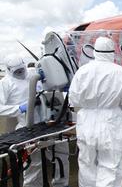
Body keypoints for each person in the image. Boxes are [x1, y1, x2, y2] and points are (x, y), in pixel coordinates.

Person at [69, 36, 122, 187]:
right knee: (111, 165)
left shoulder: (82, 71)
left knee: (86, 164)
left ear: (95, 51)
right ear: (112, 51)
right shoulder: (120, 72)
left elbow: (74, 99)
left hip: (86, 120)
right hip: (111, 120)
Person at [0, 54, 70, 187]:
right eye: (17, 71)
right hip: (27, 127)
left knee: (60, 154)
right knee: (33, 164)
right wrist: (19, 108)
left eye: (22, 69)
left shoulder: (34, 74)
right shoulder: (5, 84)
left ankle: (61, 184)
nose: (21, 73)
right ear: (8, 69)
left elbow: (52, 84)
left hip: (50, 122)